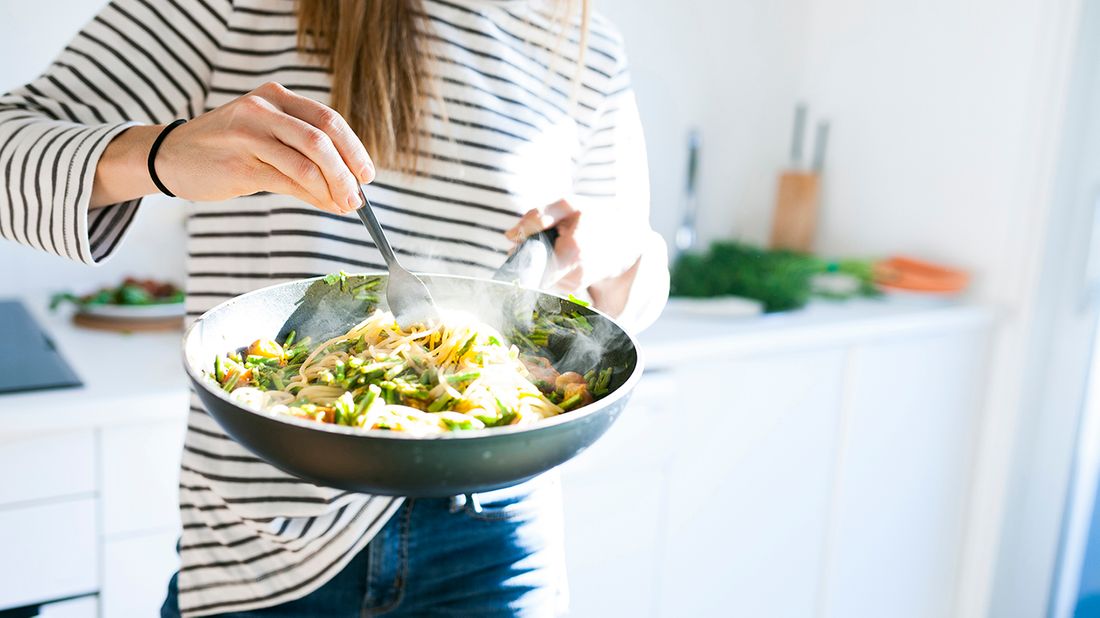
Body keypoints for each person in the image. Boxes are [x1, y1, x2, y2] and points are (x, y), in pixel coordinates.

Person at [0, 0, 668, 615]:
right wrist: (160, 153)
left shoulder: (582, 41)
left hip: (494, 544)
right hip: (261, 547)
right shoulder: (230, 7)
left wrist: (621, 250)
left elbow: (628, 291)